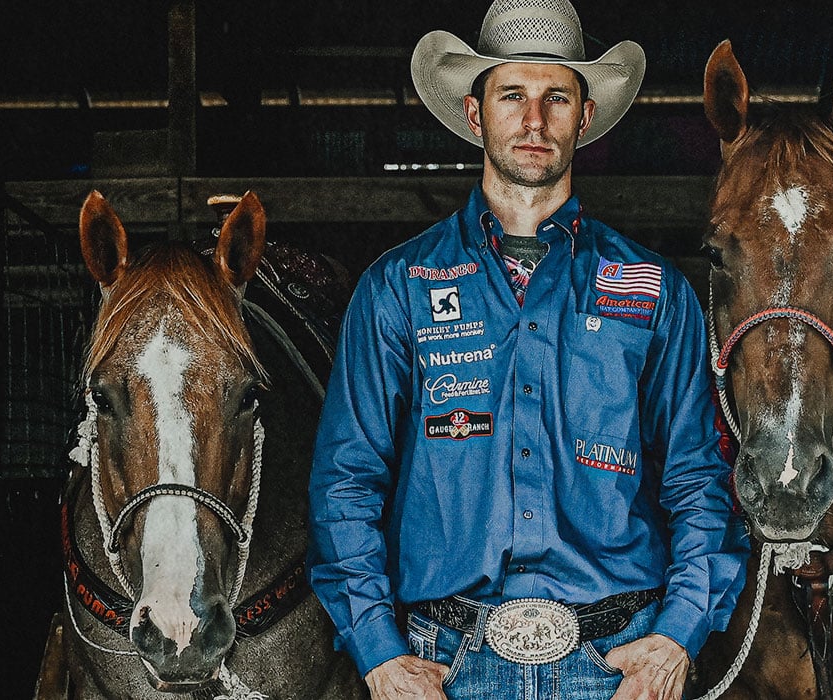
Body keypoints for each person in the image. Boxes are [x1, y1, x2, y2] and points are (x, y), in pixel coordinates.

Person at [308, 2, 748, 698]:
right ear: (477, 113)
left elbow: (700, 477)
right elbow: (347, 481)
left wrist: (678, 634)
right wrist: (378, 652)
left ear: (587, 117)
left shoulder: (653, 289)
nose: (535, 121)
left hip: (616, 662)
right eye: (512, 95)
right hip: (444, 665)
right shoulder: (399, 288)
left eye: (557, 98)